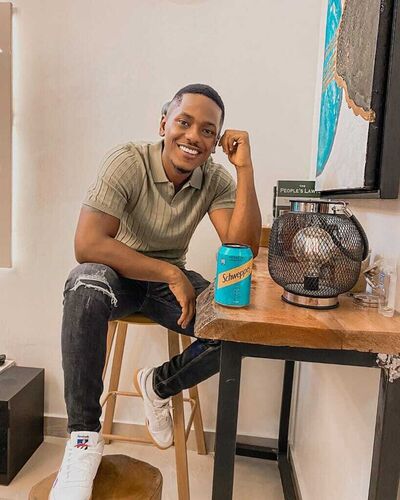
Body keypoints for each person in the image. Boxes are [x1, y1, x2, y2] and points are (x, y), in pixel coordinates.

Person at [50, 83, 261, 499]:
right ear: (164, 123)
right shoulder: (127, 161)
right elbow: (88, 244)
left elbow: (243, 248)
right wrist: (168, 272)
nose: (193, 136)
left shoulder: (215, 178)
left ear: (217, 141)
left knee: (235, 327)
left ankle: (159, 384)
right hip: (117, 274)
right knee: (84, 284)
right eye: (184, 122)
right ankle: (83, 439)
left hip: (169, 283)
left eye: (207, 131)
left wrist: (245, 169)